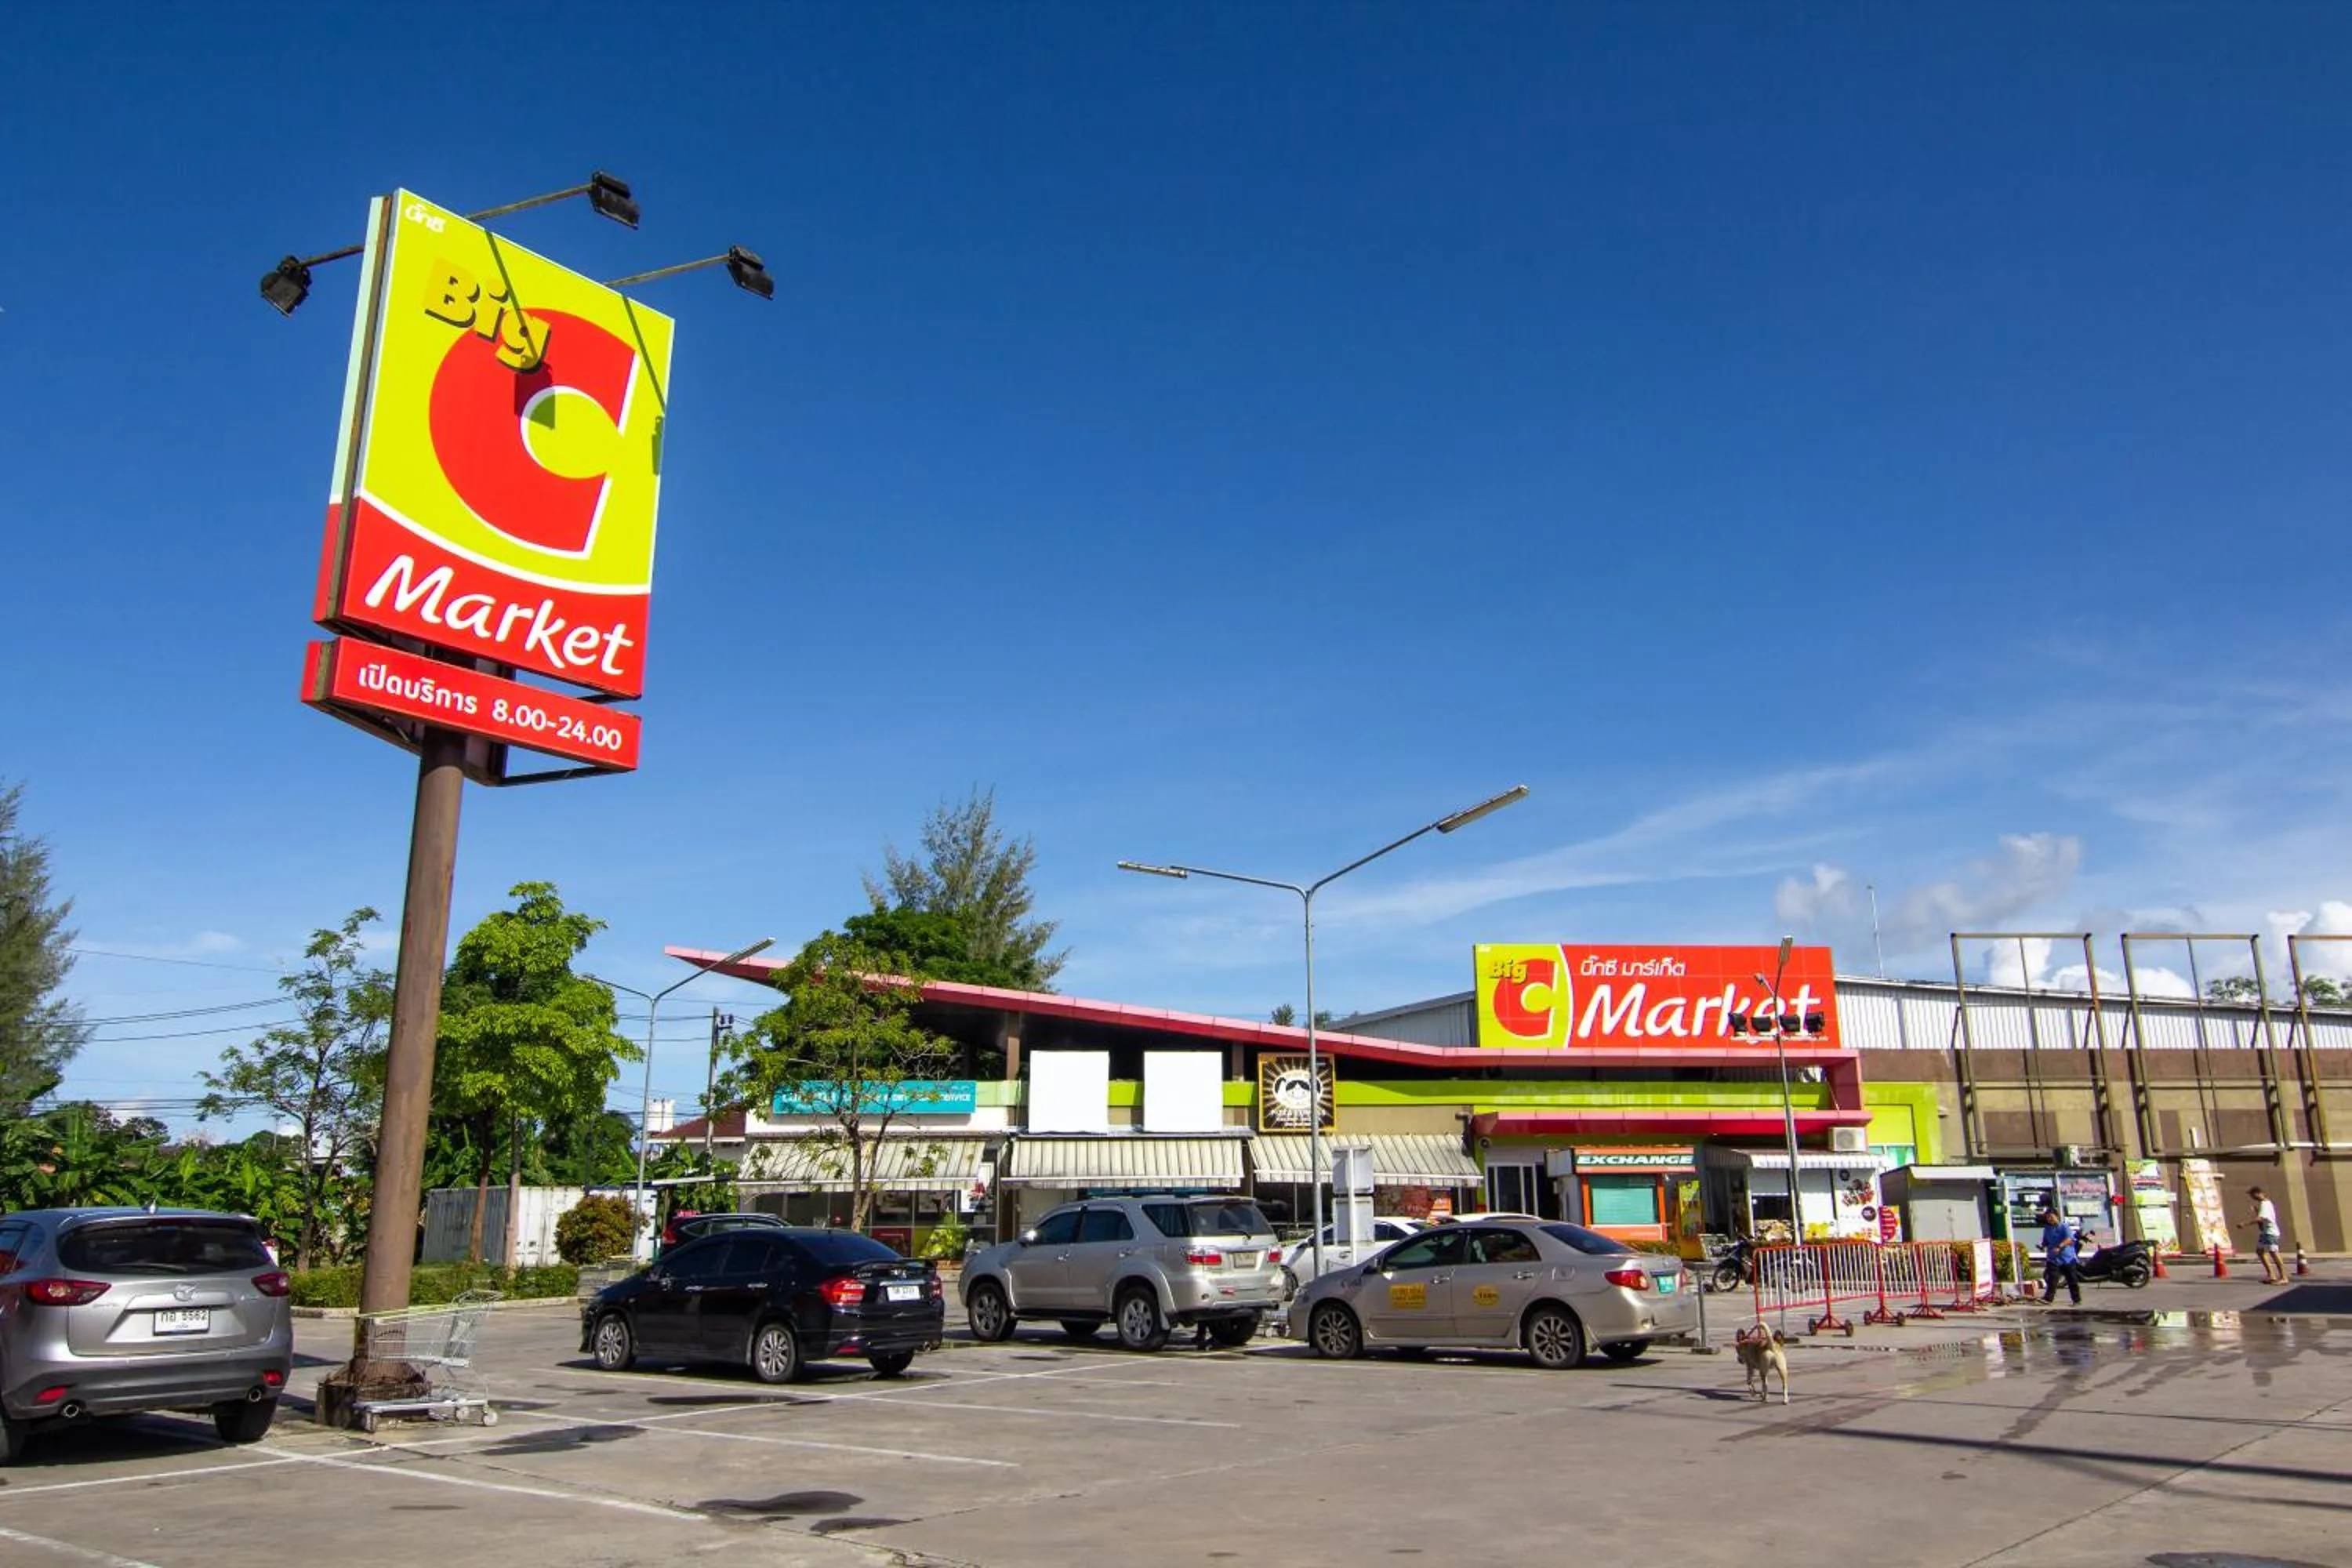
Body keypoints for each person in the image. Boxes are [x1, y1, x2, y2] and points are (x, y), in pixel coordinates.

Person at [2038, 1208, 2082, 1306]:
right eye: (2048, 1217)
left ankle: (2076, 1299)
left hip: (2067, 1258)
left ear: (2056, 1216)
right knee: (2052, 1278)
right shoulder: (2047, 1228)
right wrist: (2042, 1245)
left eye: (2051, 1217)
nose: (2049, 1219)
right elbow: (2046, 1240)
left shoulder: (2064, 1227)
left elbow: (2069, 1239)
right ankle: (2048, 1299)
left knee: (2072, 1279)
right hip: (2053, 1258)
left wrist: (2060, 1247)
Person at [2242, 1186, 2287, 1283]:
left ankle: (2284, 1277)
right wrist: (2257, 1211)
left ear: (2259, 1193)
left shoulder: (2265, 1204)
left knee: (2274, 1253)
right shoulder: (2265, 1204)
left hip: (2271, 1233)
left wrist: (2244, 1223)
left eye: (2253, 1195)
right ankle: (2271, 1275)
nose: (2253, 1198)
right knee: (2260, 1251)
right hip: (2265, 1233)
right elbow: (2263, 1218)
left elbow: (2261, 1218)